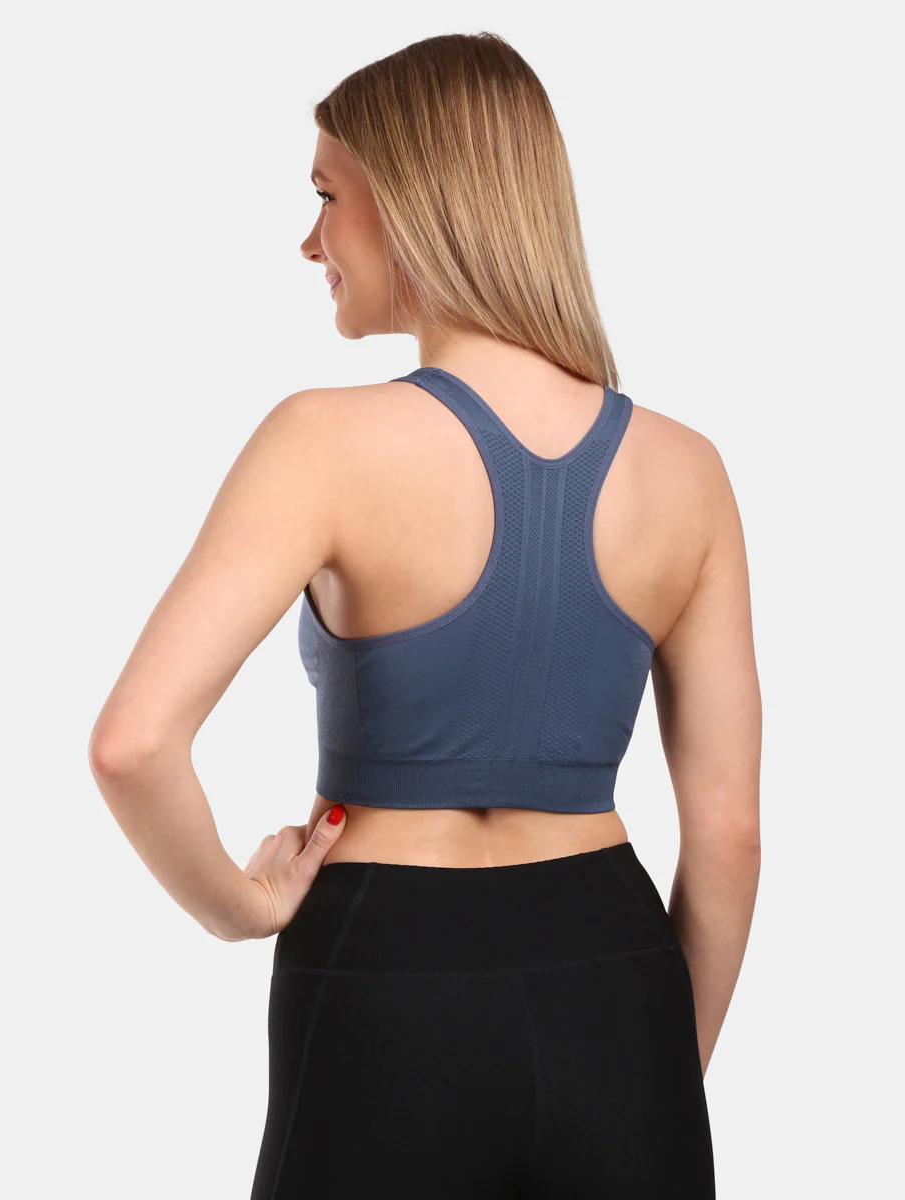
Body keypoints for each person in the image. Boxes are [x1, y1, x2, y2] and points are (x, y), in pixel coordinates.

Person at [89, 31, 761, 1200]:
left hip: (387, 971)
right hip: (613, 976)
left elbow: (132, 745)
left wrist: (243, 906)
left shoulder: (322, 442)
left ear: (412, 200)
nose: (309, 243)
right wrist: (650, 1078)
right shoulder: (687, 471)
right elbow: (731, 836)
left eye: (325, 196)